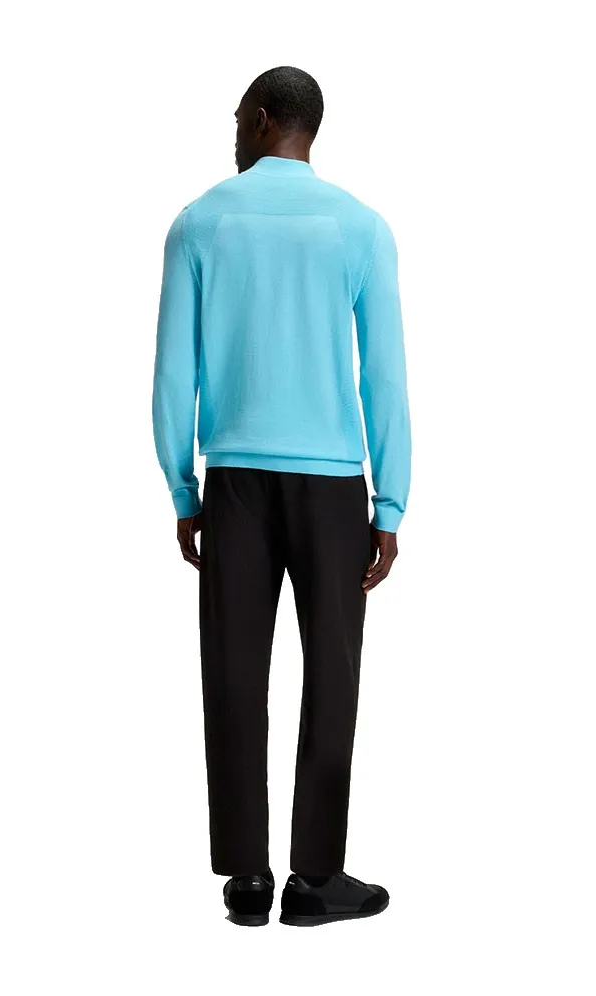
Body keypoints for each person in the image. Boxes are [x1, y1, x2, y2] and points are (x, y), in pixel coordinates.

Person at [151, 65, 411, 927]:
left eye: (237, 118)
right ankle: (315, 879)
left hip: (233, 484)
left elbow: (173, 372)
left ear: (263, 119)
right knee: (332, 677)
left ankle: (248, 878)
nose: (233, 132)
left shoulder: (199, 223)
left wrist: (182, 487)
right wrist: (390, 504)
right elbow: (384, 377)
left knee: (232, 673)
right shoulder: (361, 228)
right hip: (334, 487)